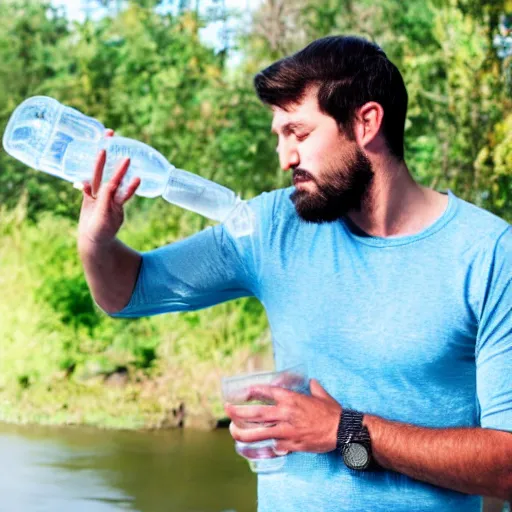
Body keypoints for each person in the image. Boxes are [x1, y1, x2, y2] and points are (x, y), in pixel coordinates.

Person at [78, 36, 512, 511]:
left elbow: (506, 467)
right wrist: (96, 241)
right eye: (280, 136)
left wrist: (344, 431)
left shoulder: (488, 255)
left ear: (366, 122)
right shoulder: (272, 226)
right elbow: (128, 291)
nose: (285, 157)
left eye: (299, 134)